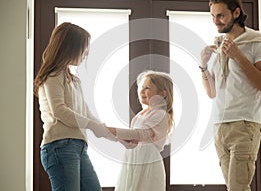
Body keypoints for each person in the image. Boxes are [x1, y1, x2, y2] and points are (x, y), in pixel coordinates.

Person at [199, 0, 261, 190]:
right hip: (220, 126)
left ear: (236, 13)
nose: (216, 22)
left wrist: (238, 56)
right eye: (213, 16)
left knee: (237, 188)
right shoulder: (219, 48)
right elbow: (212, 93)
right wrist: (203, 66)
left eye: (221, 15)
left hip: (244, 125)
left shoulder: (256, 42)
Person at [34, 22, 116, 191]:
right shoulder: (53, 76)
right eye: (83, 48)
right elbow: (60, 111)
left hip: (78, 147)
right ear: (70, 47)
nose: (86, 53)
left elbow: (87, 113)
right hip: (59, 146)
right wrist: (93, 126)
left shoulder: (74, 80)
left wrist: (117, 138)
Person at [107, 70, 174, 191]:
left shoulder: (160, 114)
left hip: (147, 161)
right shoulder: (141, 114)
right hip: (134, 158)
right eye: (141, 87)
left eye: (147, 88)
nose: (141, 91)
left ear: (163, 94)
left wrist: (109, 130)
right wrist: (117, 137)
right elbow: (134, 139)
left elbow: (140, 134)